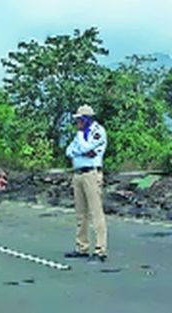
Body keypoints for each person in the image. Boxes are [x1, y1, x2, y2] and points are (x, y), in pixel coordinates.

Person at [63, 105, 108, 263]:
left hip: (91, 173)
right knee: (81, 214)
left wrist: (81, 146)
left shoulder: (97, 131)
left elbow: (85, 147)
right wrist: (81, 151)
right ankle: (81, 247)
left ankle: (100, 250)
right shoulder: (79, 134)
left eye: (80, 119)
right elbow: (69, 151)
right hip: (78, 173)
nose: (78, 122)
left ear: (87, 119)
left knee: (96, 212)